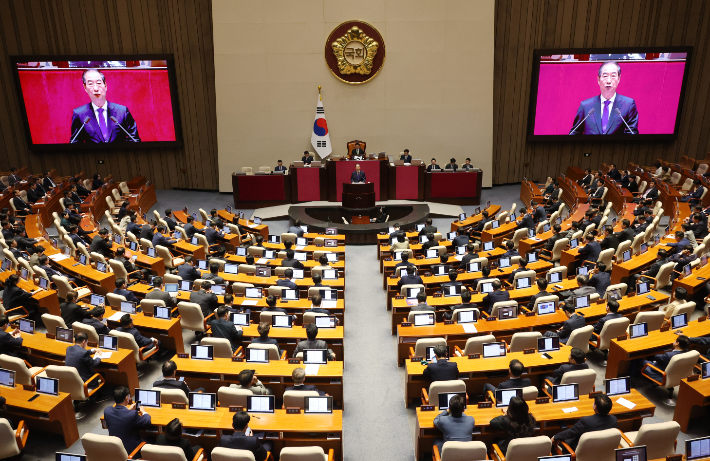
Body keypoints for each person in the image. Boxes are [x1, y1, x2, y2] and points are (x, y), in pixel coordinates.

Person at [70, 69, 141, 143]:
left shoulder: (122, 111)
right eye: (90, 84)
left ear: (105, 86)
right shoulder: (79, 114)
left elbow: (135, 140)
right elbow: (76, 144)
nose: (96, 88)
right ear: (85, 88)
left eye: (98, 83)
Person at [569, 61, 638, 135]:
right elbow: (574, 133)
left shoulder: (628, 105)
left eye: (613, 76)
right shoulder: (586, 106)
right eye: (605, 76)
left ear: (619, 79)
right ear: (598, 80)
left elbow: (632, 134)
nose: (608, 81)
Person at [551, 394, 617, 450]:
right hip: (603, 449)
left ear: (595, 406)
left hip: (583, 450)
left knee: (558, 442)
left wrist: (555, 437)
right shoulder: (613, 420)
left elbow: (570, 433)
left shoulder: (586, 421)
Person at [103, 387, 152, 455]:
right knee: (152, 438)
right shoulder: (132, 414)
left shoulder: (107, 411)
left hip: (115, 448)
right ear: (126, 398)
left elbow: (120, 418)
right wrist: (144, 412)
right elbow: (147, 423)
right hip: (131, 451)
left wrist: (128, 410)